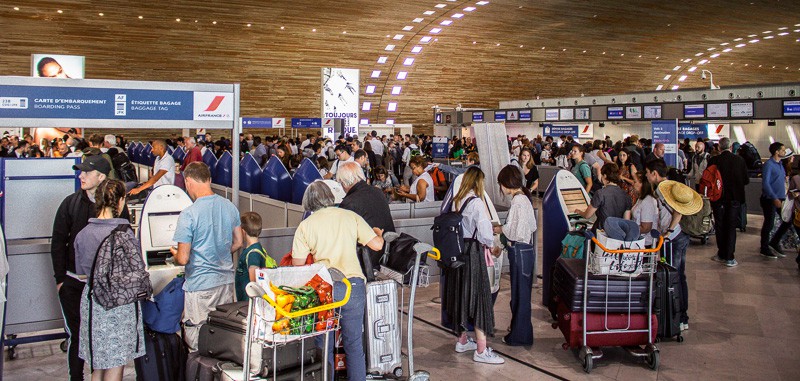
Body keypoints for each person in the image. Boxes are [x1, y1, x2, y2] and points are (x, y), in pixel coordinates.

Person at [293, 181, 385, 381]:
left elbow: (298, 265)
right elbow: (377, 245)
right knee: (353, 345)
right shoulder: (350, 216)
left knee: (323, 344)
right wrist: (378, 234)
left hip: (323, 288)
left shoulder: (305, 226)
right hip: (352, 286)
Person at [51, 155, 129, 381]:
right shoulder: (70, 203)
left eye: (86, 172)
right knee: (77, 336)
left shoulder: (116, 208)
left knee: (102, 339)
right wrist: (60, 280)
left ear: (101, 177)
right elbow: (58, 241)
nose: (81, 176)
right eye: (81, 171)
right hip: (74, 283)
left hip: (105, 289)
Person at [75, 179, 144, 381]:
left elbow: (81, 272)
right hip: (119, 304)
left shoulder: (82, 234)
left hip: (92, 302)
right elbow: (136, 270)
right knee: (116, 363)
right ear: (121, 201)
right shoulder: (125, 234)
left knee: (98, 363)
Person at [169, 162, 243, 351]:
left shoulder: (188, 214)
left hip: (200, 286)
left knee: (198, 342)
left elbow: (184, 259)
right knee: (223, 338)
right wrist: (218, 253)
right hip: (226, 284)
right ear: (209, 180)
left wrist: (175, 256)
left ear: (188, 182)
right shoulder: (229, 206)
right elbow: (238, 242)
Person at [442, 167, 504, 364]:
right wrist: (493, 247)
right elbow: (485, 232)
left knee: (461, 297)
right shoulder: (477, 203)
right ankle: (481, 350)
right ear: (478, 182)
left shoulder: (456, 201)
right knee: (479, 300)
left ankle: (461, 340)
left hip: (458, 253)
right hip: (474, 254)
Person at [646, 159, 696, 331]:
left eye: (647, 172)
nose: (646, 176)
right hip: (681, 236)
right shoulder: (671, 185)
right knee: (680, 277)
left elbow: (677, 210)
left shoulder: (662, 189)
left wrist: (669, 230)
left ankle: (676, 318)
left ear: (654, 173)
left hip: (673, 238)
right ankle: (682, 317)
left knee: (672, 278)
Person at [493, 166, 536, 347]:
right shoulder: (524, 199)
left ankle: (519, 336)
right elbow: (531, 226)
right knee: (522, 295)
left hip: (518, 251)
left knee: (519, 296)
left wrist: (499, 229)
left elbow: (513, 231)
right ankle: (522, 333)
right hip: (526, 251)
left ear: (506, 183)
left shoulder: (517, 201)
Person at [338, 162, 396, 271]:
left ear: (344, 183)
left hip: (367, 260)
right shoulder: (378, 192)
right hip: (388, 253)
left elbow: (345, 239)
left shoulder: (348, 203)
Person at [707, 138, 749, 267]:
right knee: (731, 226)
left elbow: (708, 179)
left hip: (718, 199)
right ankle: (730, 257)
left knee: (720, 225)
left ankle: (721, 253)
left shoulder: (714, 160)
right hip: (734, 199)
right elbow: (745, 180)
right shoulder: (739, 160)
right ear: (731, 147)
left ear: (719, 148)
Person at [574, 163, 632, 233]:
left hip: (600, 233)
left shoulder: (600, 193)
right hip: (617, 234)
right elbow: (626, 221)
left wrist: (579, 212)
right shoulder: (626, 196)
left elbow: (587, 215)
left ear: (605, 176)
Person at [235, 212, 276, 302]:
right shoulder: (256, 248)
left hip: (248, 304)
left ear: (243, 231)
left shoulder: (253, 254)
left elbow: (254, 284)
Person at [759, 142, 791, 259]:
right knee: (769, 223)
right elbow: (766, 184)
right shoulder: (769, 165)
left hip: (781, 197)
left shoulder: (780, 165)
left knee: (788, 220)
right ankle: (764, 247)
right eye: (782, 150)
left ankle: (774, 241)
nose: (784, 152)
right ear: (776, 151)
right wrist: (774, 197)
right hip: (770, 199)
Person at [631, 172, 661, 246]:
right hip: (638, 240)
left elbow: (646, 228)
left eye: (635, 182)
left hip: (646, 242)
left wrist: (629, 229)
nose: (633, 184)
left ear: (642, 184)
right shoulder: (641, 199)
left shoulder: (648, 201)